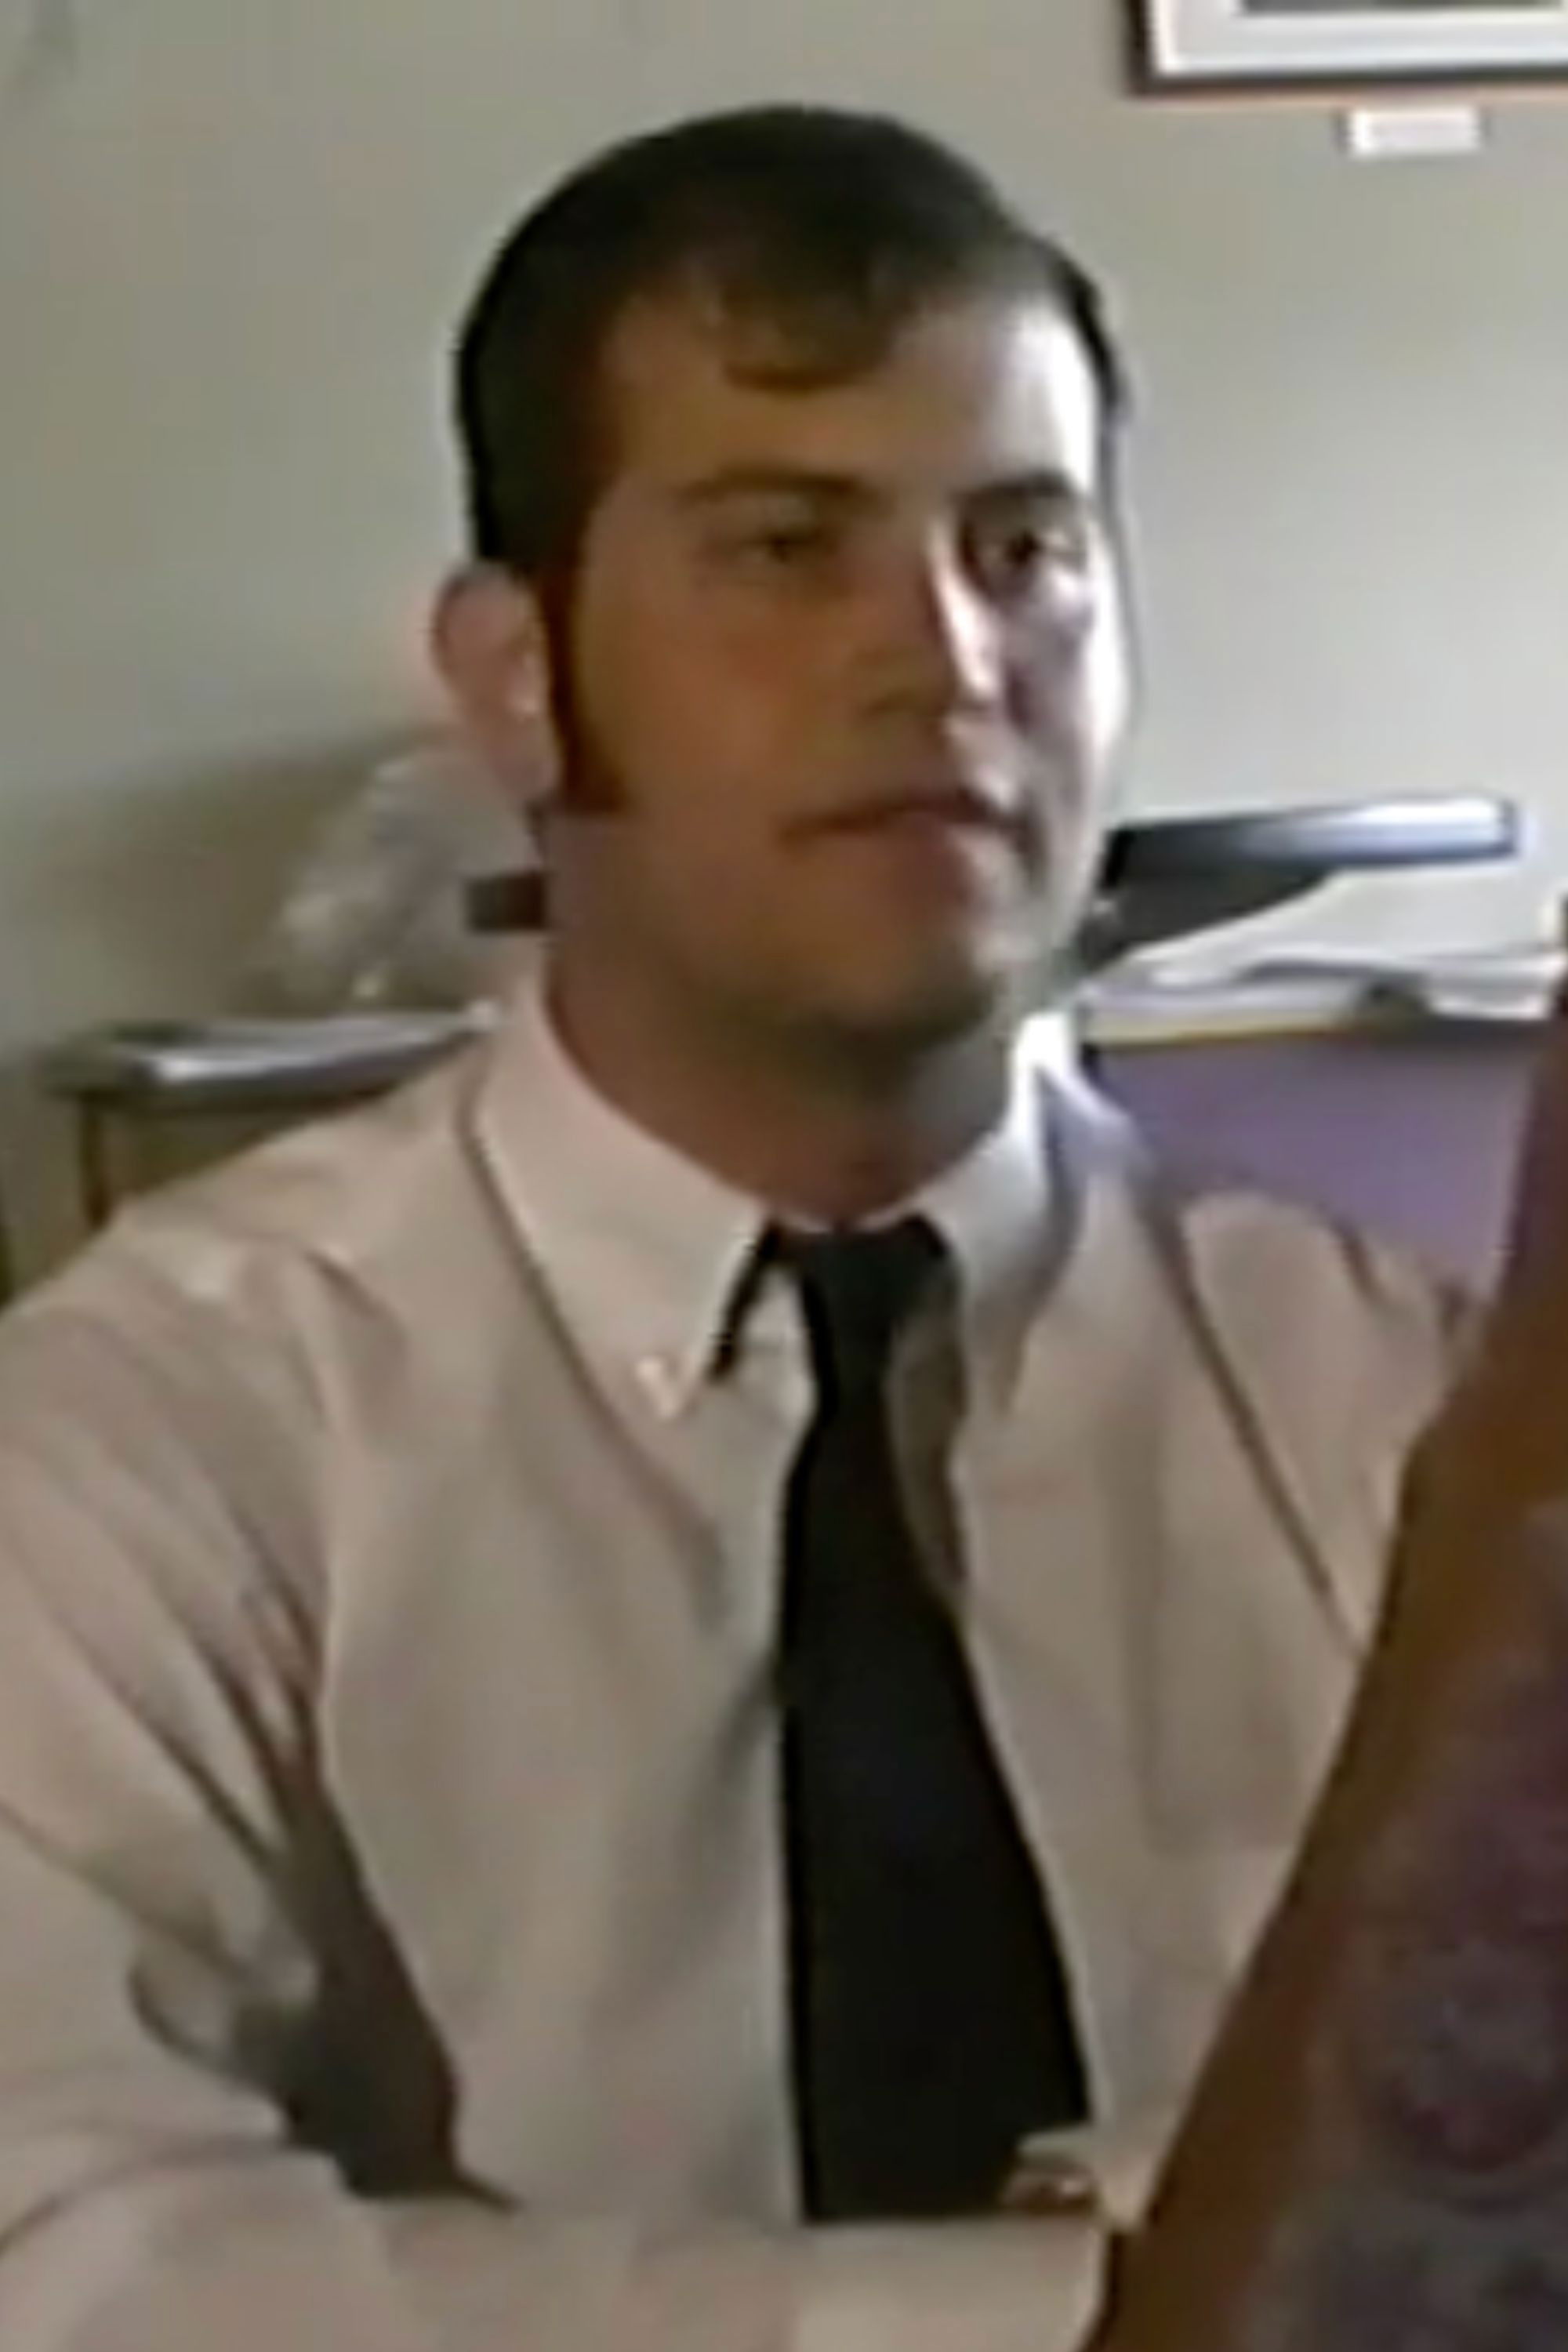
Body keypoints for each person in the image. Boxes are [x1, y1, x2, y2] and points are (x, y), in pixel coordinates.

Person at [0, 105, 1474, 2352]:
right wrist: (1114, 2307)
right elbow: (75, 2260)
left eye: (1026, 548)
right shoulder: (161, 1434)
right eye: (787, 550)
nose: (944, 662)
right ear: (519, 676)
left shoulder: (1394, 1406)